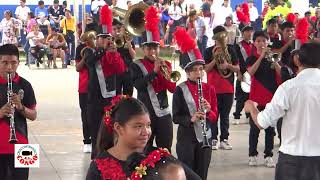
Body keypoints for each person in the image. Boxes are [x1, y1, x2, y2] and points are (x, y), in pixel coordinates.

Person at [244, 42, 320, 180]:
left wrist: (251, 107)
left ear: (297, 60)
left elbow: (262, 122)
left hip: (292, 161)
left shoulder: (288, 88)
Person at [172, 27, 217, 180]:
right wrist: (190, 119)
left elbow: (214, 115)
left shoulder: (209, 88)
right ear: (187, 72)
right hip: (186, 138)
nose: (199, 73)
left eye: (201, 69)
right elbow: (176, 117)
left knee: (202, 173)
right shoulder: (180, 89)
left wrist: (209, 110)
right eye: (195, 70)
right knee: (188, 173)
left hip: (206, 136)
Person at [130, 7, 176, 152]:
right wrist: (154, 72)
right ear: (143, 49)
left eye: (155, 48)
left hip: (164, 113)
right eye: (149, 48)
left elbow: (172, 88)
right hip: (145, 114)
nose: (152, 51)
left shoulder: (166, 63)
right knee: (144, 149)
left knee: (165, 149)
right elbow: (139, 86)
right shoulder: (136, 65)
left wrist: (166, 73)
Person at [85, 96, 152, 179]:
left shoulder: (159, 158)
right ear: (118, 128)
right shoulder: (99, 168)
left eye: (148, 125)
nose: (146, 132)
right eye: (138, 126)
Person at [84, 32, 126, 159]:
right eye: (104, 38)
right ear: (97, 39)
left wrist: (114, 53)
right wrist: (102, 49)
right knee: (97, 133)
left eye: (110, 38)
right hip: (95, 101)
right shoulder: (90, 51)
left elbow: (120, 70)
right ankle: (96, 161)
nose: (108, 40)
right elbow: (89, 62)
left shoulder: (114, 53)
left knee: (111, 133)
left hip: (111, 101)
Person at [0, 44, 37, 180]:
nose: (9, 67)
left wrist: (21, 107)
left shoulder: (25, 84)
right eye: (4, 62)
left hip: (22, 146)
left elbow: (33, 115)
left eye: (13, 63)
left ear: (18, 63)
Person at [245, 31, 281, 168]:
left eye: (264, 41)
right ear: (254, 43)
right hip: (255, 99)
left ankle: (268, 155)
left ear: (268, 42)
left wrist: (274, 61)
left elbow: (281, 74)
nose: (261, 43)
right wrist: (261, 57)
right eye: (258, 41)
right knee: (254, 129)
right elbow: (250, 73)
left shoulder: (273, 57)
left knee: (270, 130)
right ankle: (252, 154)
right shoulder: (251, 58)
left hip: (270, 99)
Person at [204, 25, 239, 150]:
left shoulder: (231, 49)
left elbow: (237, 68)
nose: (221, 40)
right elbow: (206, 69)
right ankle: (213, 139)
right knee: (213, 115)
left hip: (228, 88)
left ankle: (224, 139)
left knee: (225, 116)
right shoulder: (209, 51)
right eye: (219, 37)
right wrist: (215, 59)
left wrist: (227, 65)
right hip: (212, 88)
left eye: (223, 36)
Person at [232, 25, 254, 124]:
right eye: (247, 31)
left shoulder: (253, 45)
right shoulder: (238, 46)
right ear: (242, 33)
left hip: (252, 74)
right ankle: (237, 116)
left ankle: (248, 115)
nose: (249, 34)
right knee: (241, 96)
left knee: (250, 96)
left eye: (251, 32)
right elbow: (236, 61)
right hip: (242, 73)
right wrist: (238, 73)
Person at [112, 19, 136, 96]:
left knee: (128, 96)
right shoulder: (110, 41)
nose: (116, 31)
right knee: (116, 95)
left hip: (127, 71)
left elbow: (134, 56)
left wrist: (129, 44)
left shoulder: (128, 39)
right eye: (114, 29)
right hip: (115, 72)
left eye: (118, 28)